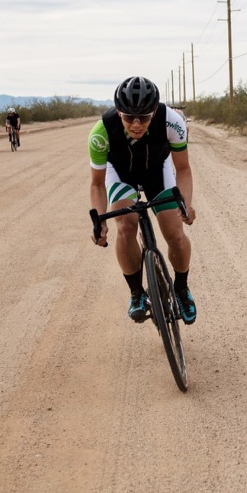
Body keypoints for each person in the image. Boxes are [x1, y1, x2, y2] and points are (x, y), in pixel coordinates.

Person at [88, 77, 197, 324]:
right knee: (125, 227)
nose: (136, 124)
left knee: (176, 235)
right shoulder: (101, 131)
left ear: (155, 111)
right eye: (128, 118)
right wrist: (99, 221)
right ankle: (137, 293)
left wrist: (186, 204)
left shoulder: (172, 121)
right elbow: (96, 184)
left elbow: (184, 169)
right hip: (121, 174)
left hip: (158, 171)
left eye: (144, 118)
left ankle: (181, 290)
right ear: (118, 112)